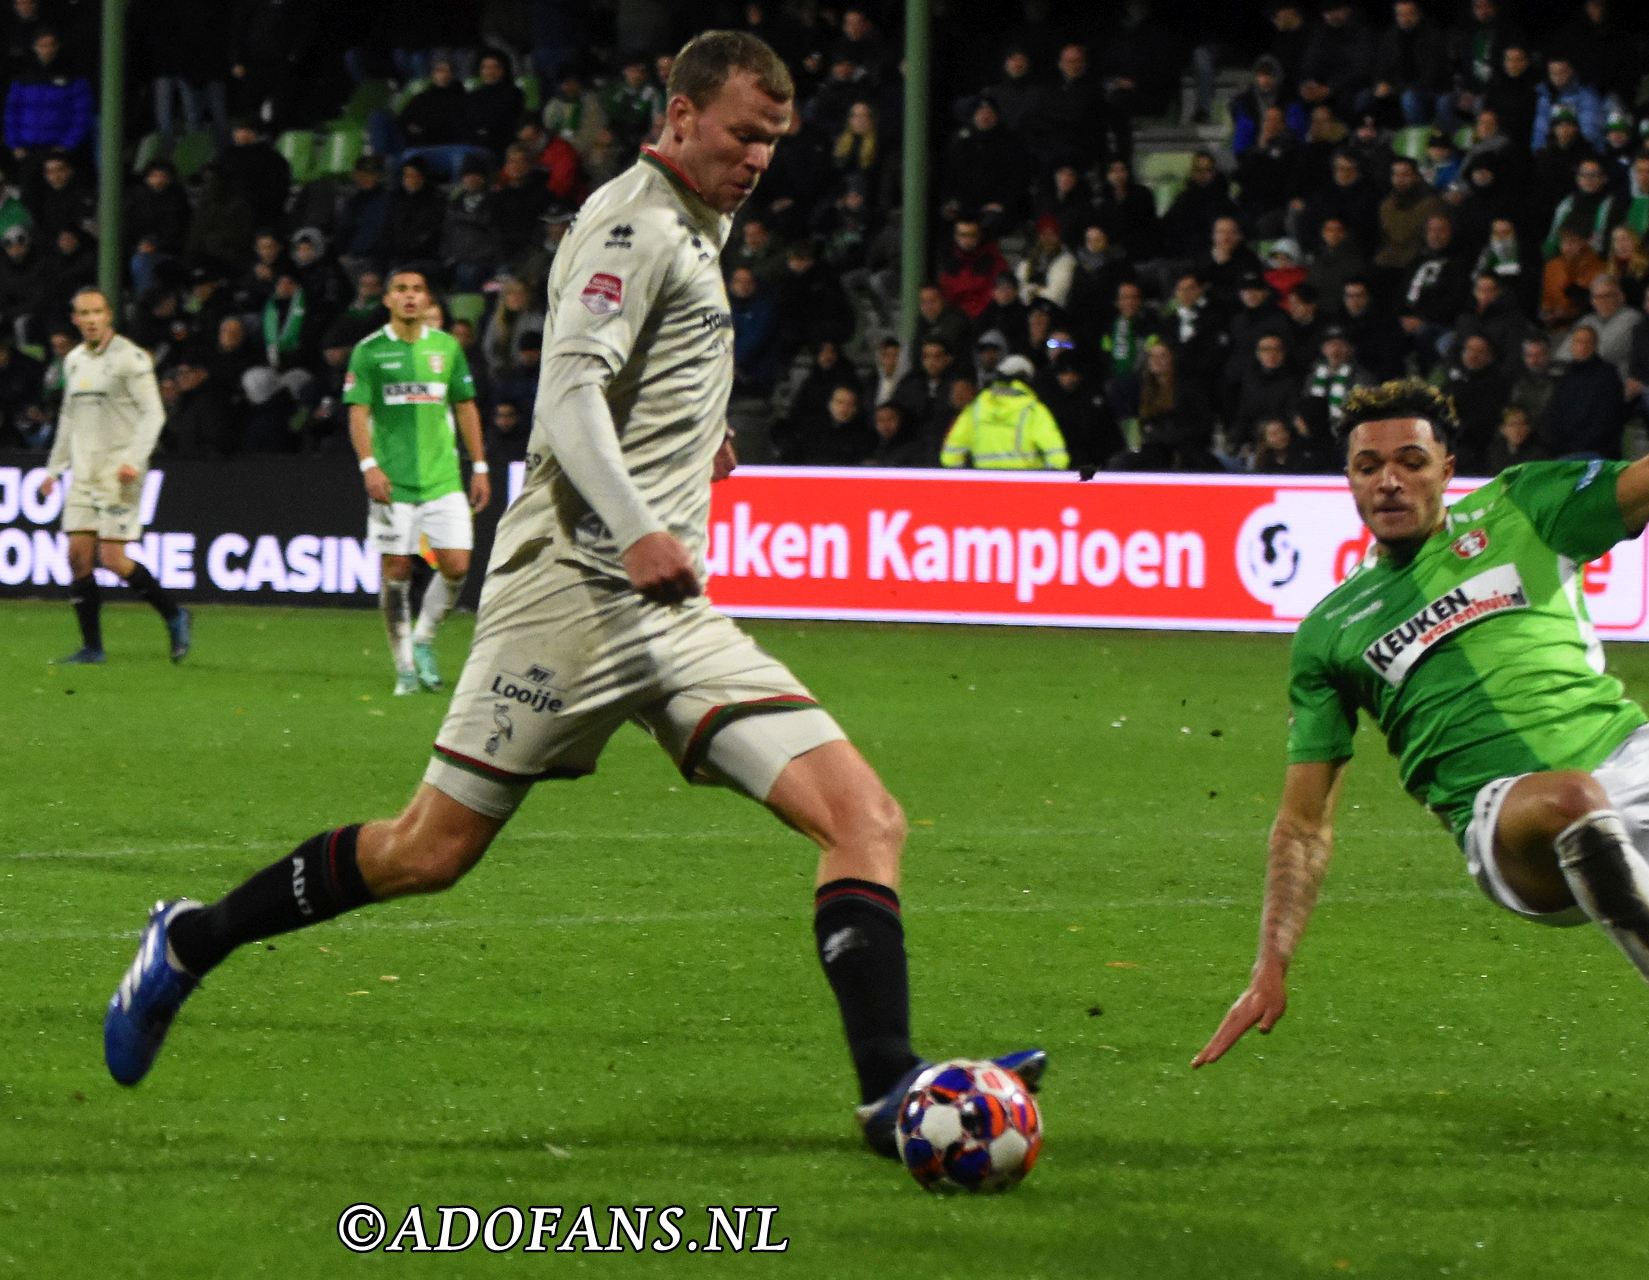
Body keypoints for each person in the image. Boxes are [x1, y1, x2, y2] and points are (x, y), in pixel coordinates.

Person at [101, 32, 1044, 1163]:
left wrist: (699, 438)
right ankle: (191, 940)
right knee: (428, 849)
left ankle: (890, 1093)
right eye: (744, 133)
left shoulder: (699, 228)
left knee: (864, 818)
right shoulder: (632, 222)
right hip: (573, 598)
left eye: (776, 141)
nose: (760, 157)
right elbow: (568, 399)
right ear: (681, 116)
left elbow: (637, 385)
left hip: (675, 617)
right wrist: (640, 522)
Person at [1194, 275, 1649, 1111]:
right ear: (1346, 479)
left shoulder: (1524, 506)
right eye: (1367, 466)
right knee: (1569, 799)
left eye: (1410, 462)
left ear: (1447, 468)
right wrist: (1270, 963)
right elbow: (1304, 823)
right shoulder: (1333, 630)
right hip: (1511, 820)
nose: (1389, 482)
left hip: (1637, 762)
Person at [345, 268, 490, 696]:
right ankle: (405, 666)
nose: (410, 297)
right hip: (393, 481)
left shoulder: (446, 349)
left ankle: (424, 638)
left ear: (428, 301)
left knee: (458, 566)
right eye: (401, 290)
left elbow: (465, 407)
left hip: (443, 480)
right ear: (387, 299)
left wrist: (480, 466)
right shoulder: (369, 352)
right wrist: (369, 465)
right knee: (397, 568)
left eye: (418, 290)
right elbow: (356, 412)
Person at [37, 286, 189, 665]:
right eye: (83, 313)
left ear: (108, 316)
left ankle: (175, 614)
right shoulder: (73, 361)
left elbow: (154, 413)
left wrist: (134, 460)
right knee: (77, 557)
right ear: (75, 319)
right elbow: (68, 418)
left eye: (97, 312)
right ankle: (92, 648)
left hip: (119, 472)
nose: (90, 319)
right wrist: (54, 470)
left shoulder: (130, 359)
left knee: (114, 559)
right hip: (83, 472)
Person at [939, 353, 1068, 470]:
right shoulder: (1032, 410)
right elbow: (1058, 459)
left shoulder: (977, 408)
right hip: (1024, 487)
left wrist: (965, 478)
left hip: (983, 486)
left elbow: (950, 456)